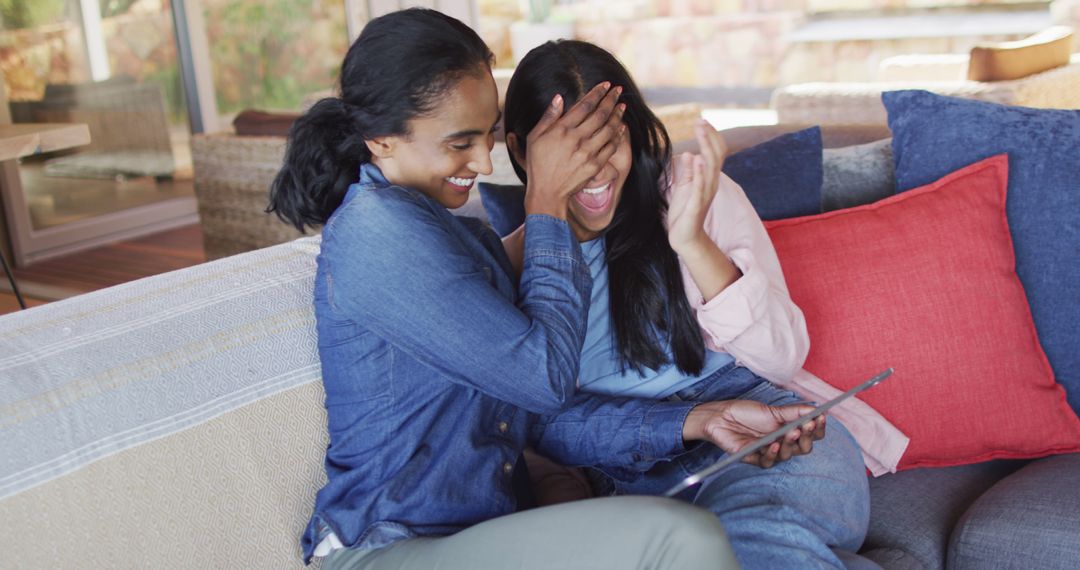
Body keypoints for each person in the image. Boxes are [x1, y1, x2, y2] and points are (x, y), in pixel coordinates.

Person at [266, 8, 831, 570]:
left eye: (485, 138)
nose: (483, 163)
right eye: (461, 142)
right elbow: (544, 379)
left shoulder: (456, 239)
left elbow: (534, 417)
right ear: (381, 139)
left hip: (478, 533)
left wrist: (700, 421)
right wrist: (545, 204)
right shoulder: (377, 234)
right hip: (392, 545)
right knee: (680, 537)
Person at [500, 40, 907, 569]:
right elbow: (541, 427)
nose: (598, 172)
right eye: (573, 150)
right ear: (519, 149)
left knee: (751, 545)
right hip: (622, 471)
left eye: (613, 142)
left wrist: (691, 242)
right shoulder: (503, 268)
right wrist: (690, 420)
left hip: (763, 429)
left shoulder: (692, 196)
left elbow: (783, 357)